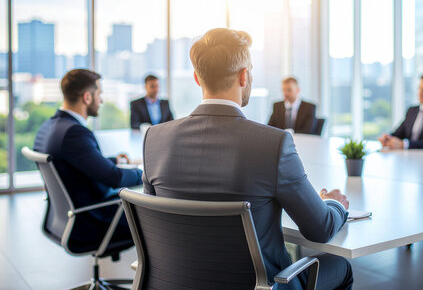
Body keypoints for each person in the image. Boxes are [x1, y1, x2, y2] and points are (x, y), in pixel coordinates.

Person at [142, 28, 353, 290]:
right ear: (244, 75)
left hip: (176, 282)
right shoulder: (273, 143)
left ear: (197, 78)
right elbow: (319, 229)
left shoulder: (154, 139)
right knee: (341, 267)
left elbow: (155, 224)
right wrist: (334, 203)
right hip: (262, 285)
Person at [34, 69, 142, 250]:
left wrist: (114, 161)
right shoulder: (74, 133)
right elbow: (114, 178)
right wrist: (145, 173)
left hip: (65, 218)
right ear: (87, 97)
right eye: (99, 94)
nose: (101, 100)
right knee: (157, 215)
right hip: (92, 222)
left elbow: (76, 162)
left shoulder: (50, 127)